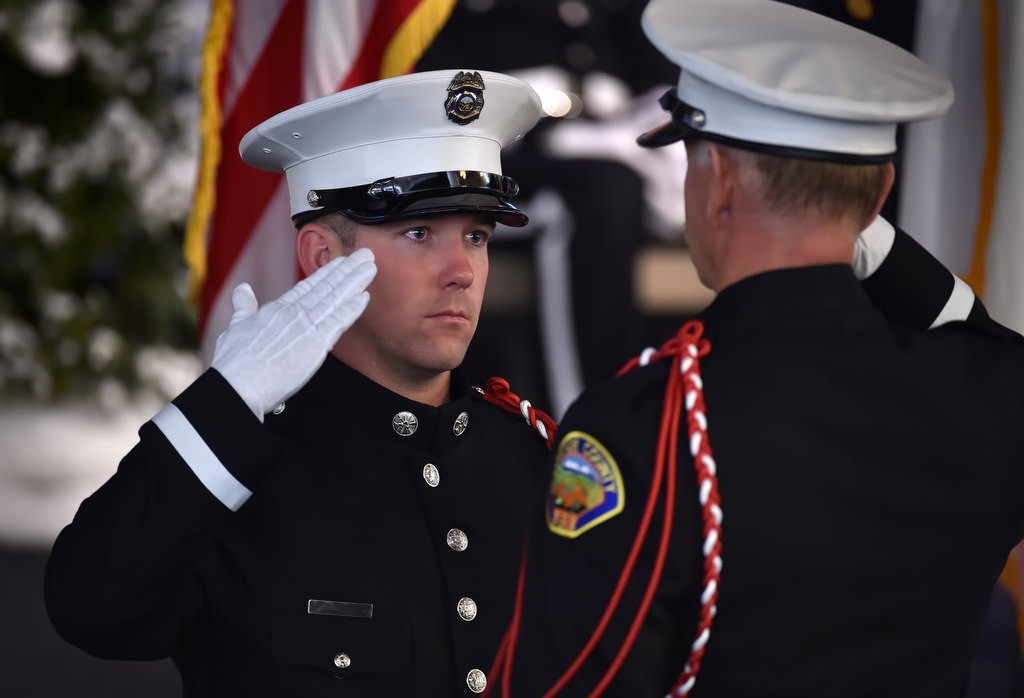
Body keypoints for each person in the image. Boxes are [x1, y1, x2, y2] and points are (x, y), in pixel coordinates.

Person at [492, 1, 1024, 696]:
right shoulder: (988, 392)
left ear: (721, 189)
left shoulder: (646, 427)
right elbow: (977, 333)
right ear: (881, 197)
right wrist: (854, 223)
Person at [44, 69, 557, 697]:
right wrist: (224, 405)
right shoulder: (236, 466)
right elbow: (91, 607)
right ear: (321, 258)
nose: (460, 272)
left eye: (475, 237)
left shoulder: (530, 457)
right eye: (418, 234)